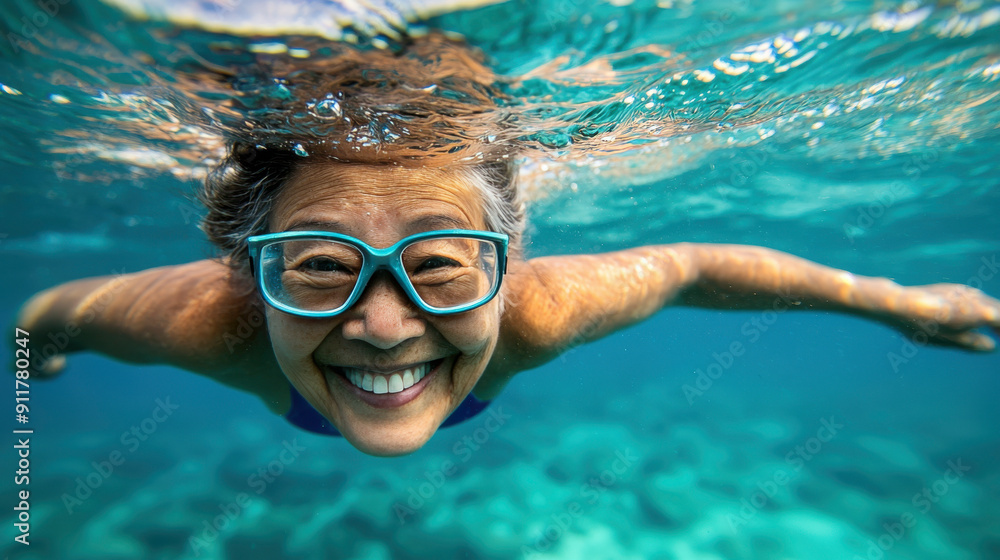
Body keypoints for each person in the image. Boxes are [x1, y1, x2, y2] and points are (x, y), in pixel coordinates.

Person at [15, 34, 1000, 457]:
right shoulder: (207, 323)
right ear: (249, 273)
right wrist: (42, 357)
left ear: (505, 265)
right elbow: (41, 315)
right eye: (319, 265)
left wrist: (900, 302)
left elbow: (697, 266)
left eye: (439, 264)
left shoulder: (536, 312)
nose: (384, 325)